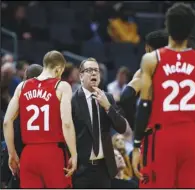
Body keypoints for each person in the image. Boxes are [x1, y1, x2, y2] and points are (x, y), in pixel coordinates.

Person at [132, 3, 195, 188]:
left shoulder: (151, 60)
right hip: (194, 136)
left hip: (162, 137)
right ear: (191, 29)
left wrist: (137, 145)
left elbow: (144, 105)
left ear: (167, 26)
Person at [3, 50, 77, 188]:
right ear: (59, 68)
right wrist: (74, 153)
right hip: (53, 153)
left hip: (28, 154)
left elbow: (7, 122)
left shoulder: (22, 86)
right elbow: (67, 123)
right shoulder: (61, 86)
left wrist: (12, 154)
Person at [71, 57, 127, 188]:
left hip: (104, 168)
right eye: (89, 70)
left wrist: (108, 107)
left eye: (96, 70)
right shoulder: (72, 100)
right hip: (81, 169)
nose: (94, 73)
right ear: (81, 76)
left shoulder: (107, 98)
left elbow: (122, 127)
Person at [1, 64, 43, 189]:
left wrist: (4, 173)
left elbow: (11, 130)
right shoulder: (53, 100)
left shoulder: (19, 100)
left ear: (25, 78)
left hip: (23, 161)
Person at [119, 29, 168, 128]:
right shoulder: (180, 69)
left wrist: (135, 125)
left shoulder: (146, 71)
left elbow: (125, 98)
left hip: (153, 128)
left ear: (148, 48)